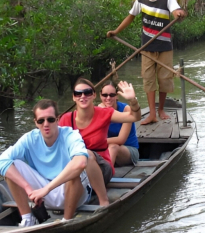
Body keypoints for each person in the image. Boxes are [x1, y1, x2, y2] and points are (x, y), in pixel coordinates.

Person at [106, 0, 187, 125]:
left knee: (164, 79)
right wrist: (116, 31)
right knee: (148, 79)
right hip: (147, 47)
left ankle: (161, 109)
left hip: (164, 46)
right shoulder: (141, 0)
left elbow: (176, 10)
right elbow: (130, 17)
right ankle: (152, 114)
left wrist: (179, 13)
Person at [0, 99, 91, 227]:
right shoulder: (29, 139)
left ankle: (67, 221)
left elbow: (81, 163)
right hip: (43, 194)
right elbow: (0, 162)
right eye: (41, 121)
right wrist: (28, 189)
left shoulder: (70, 135)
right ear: (36, 122)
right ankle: (27, 219)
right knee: (12, 165)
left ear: (57, 119)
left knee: (75, 171)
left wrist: (46, 189)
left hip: (73, 194)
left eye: (50, 119)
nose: (46, 124)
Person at [59, 78, 142, 206]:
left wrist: (133, 100)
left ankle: (103, 200)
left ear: (93, 95)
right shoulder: (66, 119)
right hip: (77, 169)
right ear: (74, 97)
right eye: (78, 93)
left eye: (87, 92)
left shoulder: (104, 113)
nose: (83, 96)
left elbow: (135, 117)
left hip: (101, 167)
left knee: (86, 154)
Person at [98, 81, 140, 167]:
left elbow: (121, 140)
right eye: (105, 95)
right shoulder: (98, 110)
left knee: (113, 146)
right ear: (100, 96)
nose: (108, 98)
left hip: (127, 150)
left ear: (117, 96)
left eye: (112, 95)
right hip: (105, 148)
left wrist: (96, 142)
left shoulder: (126, 109)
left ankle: (106, 173)